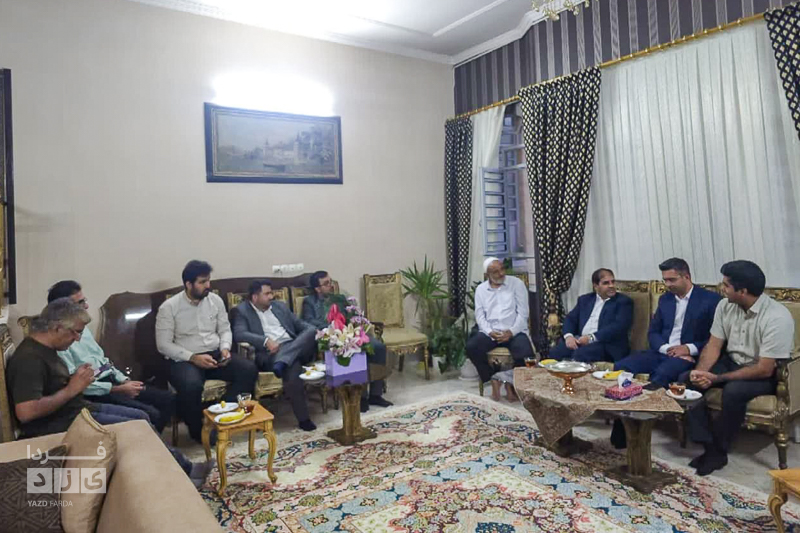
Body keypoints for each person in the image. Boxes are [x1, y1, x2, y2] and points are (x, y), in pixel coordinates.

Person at [8, 298, 208, 485]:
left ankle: (180, 468)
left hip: (78, 409)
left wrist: (76, 379)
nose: (77, 339)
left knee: (142, 417)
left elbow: (52, 386)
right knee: (137, 425)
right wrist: (71, 389)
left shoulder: (47, 349)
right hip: (62, 422)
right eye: (75, 332)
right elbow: (26, 412)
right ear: (57, 327)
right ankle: (180, 472)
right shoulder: (30, 359)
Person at [683, 260, 794, 476]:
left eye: (726, 285)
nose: (721, 288)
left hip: (765, 373)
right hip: (732, 361)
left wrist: (717, 379)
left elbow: (764, 368)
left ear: (742, 291)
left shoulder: (777, 317)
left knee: (734, 391)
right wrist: (702, 372)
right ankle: (709, 444)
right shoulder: (725, 306)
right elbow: (713, 345)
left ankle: (719, 452)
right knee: (687, 379)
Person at [48, 280, 176, 434]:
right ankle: (145, 441)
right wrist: (118, 389)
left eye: (84, 300)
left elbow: (103, 361)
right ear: (63, 309)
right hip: (96, 392)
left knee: (168, 399)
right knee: (150, 413)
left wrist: (123, 379)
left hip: (112, 380)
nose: (86, 306)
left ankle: (152, 440)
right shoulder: (60, 342)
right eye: (80, 303)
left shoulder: (82, 328)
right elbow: (78, 385)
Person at [156, 260, 258, 443]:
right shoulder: (169, 307)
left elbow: (225, 329)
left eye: (208, 280)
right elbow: (163, 344)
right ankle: (198, 431)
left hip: (215, 354)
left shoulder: (215, 301)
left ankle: (222, 413)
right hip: (185, 359)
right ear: (189, 284)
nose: (208, 285)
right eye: (202, 282)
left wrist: (225, 347)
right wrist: (193, 358)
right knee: (191, 385)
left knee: (248, 369)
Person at [615, 259, 721, 390]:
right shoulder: (665, 299)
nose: (667, 284)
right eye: (665, 280)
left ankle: (649, 402)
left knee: (662, 375)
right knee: (621, 366)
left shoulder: (710, 300)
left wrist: (689, 349)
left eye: (672, 280)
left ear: (686, 277)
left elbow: (715, 340)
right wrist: (667, 349)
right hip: (662, 351)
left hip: (687, 357)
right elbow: (653, 332)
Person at [231, 280, 318, 431]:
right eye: (267, 294)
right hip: (270, 354)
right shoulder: (242, 311)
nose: (271, 296)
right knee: (293, 367)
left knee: (311, 331)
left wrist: (315, 331)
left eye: (271, 293)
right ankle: (304, 419)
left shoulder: (279, 306)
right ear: (255, 297)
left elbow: (300, 324)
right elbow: (239, 333)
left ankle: (284, 360)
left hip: (292, 347)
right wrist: (265, 341)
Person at [302, 270, 392, 412]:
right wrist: (332, 327)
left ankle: (376, 394)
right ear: (317, 289)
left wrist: (354, 322)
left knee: (379, 347)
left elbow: (352, 314)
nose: (331, 285)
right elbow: (308, 322)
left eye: (330, 281)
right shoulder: (309, 302)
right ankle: (361, 397)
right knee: (356, 351)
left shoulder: (340, 298)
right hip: (331, 335)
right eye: (326, 283)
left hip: (350, 331)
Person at [466, 257, 535, 385]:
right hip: (491, 333)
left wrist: (511, 332)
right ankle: (492, 378)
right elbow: (480, 316)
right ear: (488, 274)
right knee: (472, 347)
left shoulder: (516, 284)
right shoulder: (481, 289)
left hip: (514, 331)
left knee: (525, 354)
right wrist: (489, 331)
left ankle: (515, 384)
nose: (501, 273)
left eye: (502, 269)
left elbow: (523, 313)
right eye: (496, 272)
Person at [549, 268, 633, 363]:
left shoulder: (623, 302)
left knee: (580, 354)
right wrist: (569, 337)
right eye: (606, 283)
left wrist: (591, 338)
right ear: (596, 286)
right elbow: (570, 319)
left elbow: (619, 326)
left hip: (606, 345)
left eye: (613, 282)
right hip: (580, 341)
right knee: (556, 352)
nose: (611, 286)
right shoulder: (585, 300)